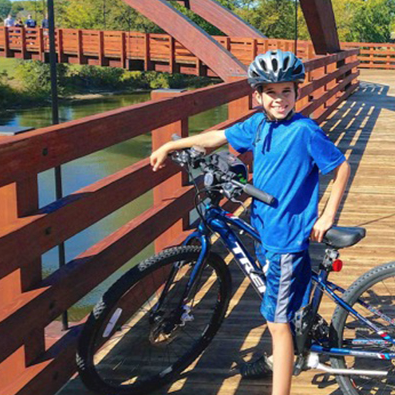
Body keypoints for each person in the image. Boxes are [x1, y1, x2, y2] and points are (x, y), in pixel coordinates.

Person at [149, 50, 351, 393]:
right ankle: (286, 352)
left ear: (296, 92)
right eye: (271, 92)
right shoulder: (258, 126)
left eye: (286, 91)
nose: (279, 99)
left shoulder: (304, 131)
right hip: (265, 229)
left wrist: (328, 214)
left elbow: (341, 166)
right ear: (258, 96)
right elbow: (217, 138)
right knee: (283, 308)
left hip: (286, 239)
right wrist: (171, 147)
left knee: (277, 324)